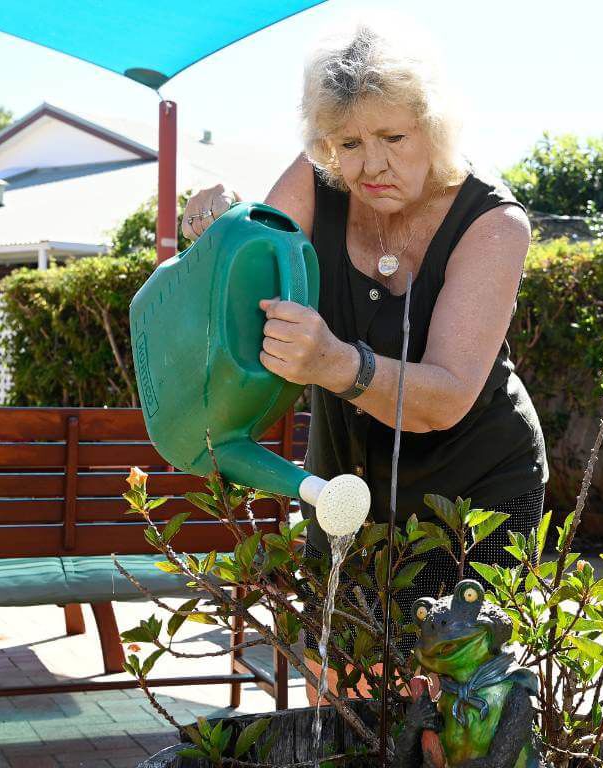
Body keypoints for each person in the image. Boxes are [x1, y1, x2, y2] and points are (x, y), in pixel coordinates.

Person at [180, 21, 546, 698]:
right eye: (349, 143)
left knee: (448, 695)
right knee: (341, 688)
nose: (370, 164)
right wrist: (216, 225)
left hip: (477, 488)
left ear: (434, 129)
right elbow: (244, 273)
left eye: (393, 138)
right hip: (346, 484)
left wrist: (334, 364)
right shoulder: (318, 182)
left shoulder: (494, 224)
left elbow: (445, 397)